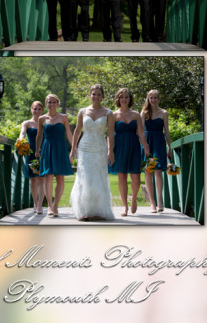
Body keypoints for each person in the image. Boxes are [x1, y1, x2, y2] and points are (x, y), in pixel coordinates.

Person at [70, 84, 116, 221]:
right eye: (93, 94)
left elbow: (111, 134)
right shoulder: (82, 112)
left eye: (98, 94)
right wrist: (73, 149)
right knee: (85, 178)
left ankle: (97, 211)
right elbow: (77, 131)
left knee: (98, 179)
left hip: (100, 149)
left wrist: (110, 151)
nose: (96, 97)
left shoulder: (108, 113)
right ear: (90, 95)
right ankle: (84, 211)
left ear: (102, 96)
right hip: (84, 148)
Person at [110, 87, 151, 216]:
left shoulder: (136, 115)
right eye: (121, 97)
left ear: (130, 99)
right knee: (121, 176)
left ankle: (133, 199)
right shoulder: (113, 115)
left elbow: (141, 133)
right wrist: (109, 150)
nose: (124, 99)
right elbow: (110, 134)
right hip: (119, 147)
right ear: (118, 99)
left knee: (136, 177)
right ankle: (124, 206)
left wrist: (146, 147)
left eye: (126, 97)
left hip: (134, 147)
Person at [35, 94, 73, 217]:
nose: (51, 104)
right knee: (48, 177)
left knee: (60, 178)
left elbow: (69, 134)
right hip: (47, 149)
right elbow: (39, 136)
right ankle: (50, 207)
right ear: (46, 104)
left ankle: (56, 205)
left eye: (54, 102)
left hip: (61, 149)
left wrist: (74, 149)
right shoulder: (42, 119)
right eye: (49, 102)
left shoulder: (64, 117)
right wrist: (37, 150)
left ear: (58, 104)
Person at [141, 89, 171, 213]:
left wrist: (169, 146)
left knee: (158, 171)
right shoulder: (143, 113)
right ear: (148, 99)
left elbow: (167, 131)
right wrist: (144, 146)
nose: (153, 100)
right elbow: (141, 131)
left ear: (159, 99)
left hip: (159, 144)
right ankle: (152, 203)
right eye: (151, 98)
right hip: (148, 144)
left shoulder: (164, 113)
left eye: (155, 97)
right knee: (148, 172)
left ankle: (159, 201)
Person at [18, 101, 46, 214]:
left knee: (42, 179)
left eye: (39, 109)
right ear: (31, 109)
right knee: (33, 180)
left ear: (42, 111)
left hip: (43, 153)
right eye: (35, 109)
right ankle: (35, 202)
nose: (37, 111)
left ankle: (40, 205)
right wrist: (21, 139)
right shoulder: (27, 123)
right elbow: (22, 133)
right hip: (32, 154)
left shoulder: (45, 122)